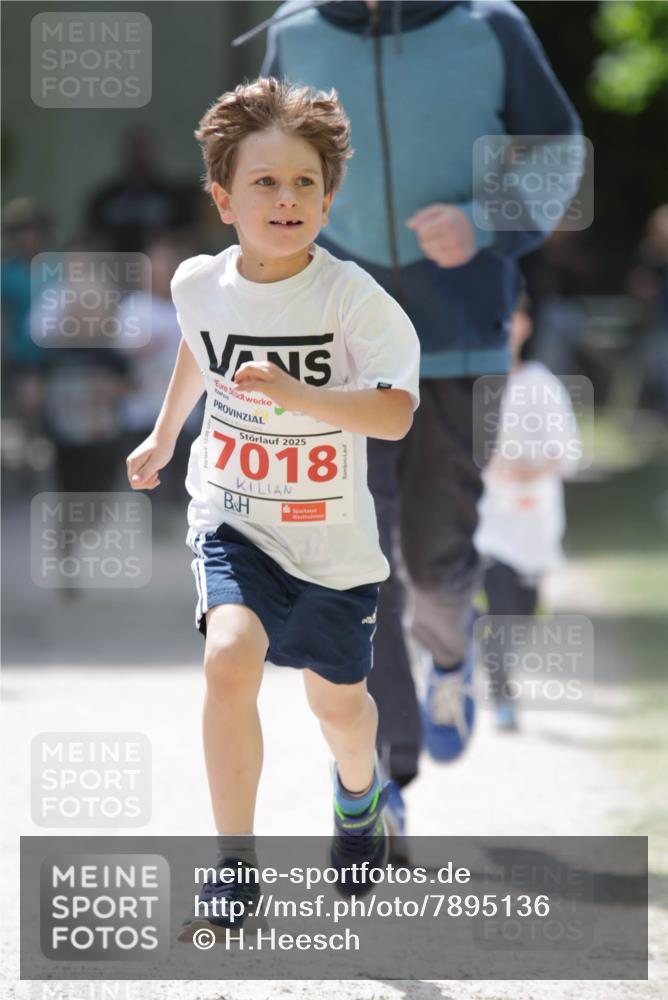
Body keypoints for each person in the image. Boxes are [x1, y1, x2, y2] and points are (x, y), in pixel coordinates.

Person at [247, 0, 583, 831]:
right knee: (355, 568)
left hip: (462, 341)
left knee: (434, 565)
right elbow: (260, 165)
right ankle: (382, 776)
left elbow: (558, 151)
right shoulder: (297, 33)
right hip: (339, 355)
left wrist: (483, 222)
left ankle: (449, 651)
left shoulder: (490, 26)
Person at [126, 77, 420, 931]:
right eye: (264, 182)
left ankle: (359, 800)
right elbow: (200, 346)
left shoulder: (352, 300)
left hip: (332, 543)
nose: (285, 198)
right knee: (229, 657)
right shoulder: (196, 284)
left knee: (338, 707)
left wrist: (299, 395)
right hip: (234, 513)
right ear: (223, 198)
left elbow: (396, 412)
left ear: (327, 201)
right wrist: (165, 434)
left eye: (303, 183)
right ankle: (233, 866)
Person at [474, 293, 581, 730]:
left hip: (534, 524)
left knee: (521, 612)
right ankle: (502, 695)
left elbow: (568, 453)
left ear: (525, 327)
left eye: (512, 318)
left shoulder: (542, 384)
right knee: (495, 605)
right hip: (486, 525)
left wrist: (527, 468)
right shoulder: (471, 386)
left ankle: (496, 668)